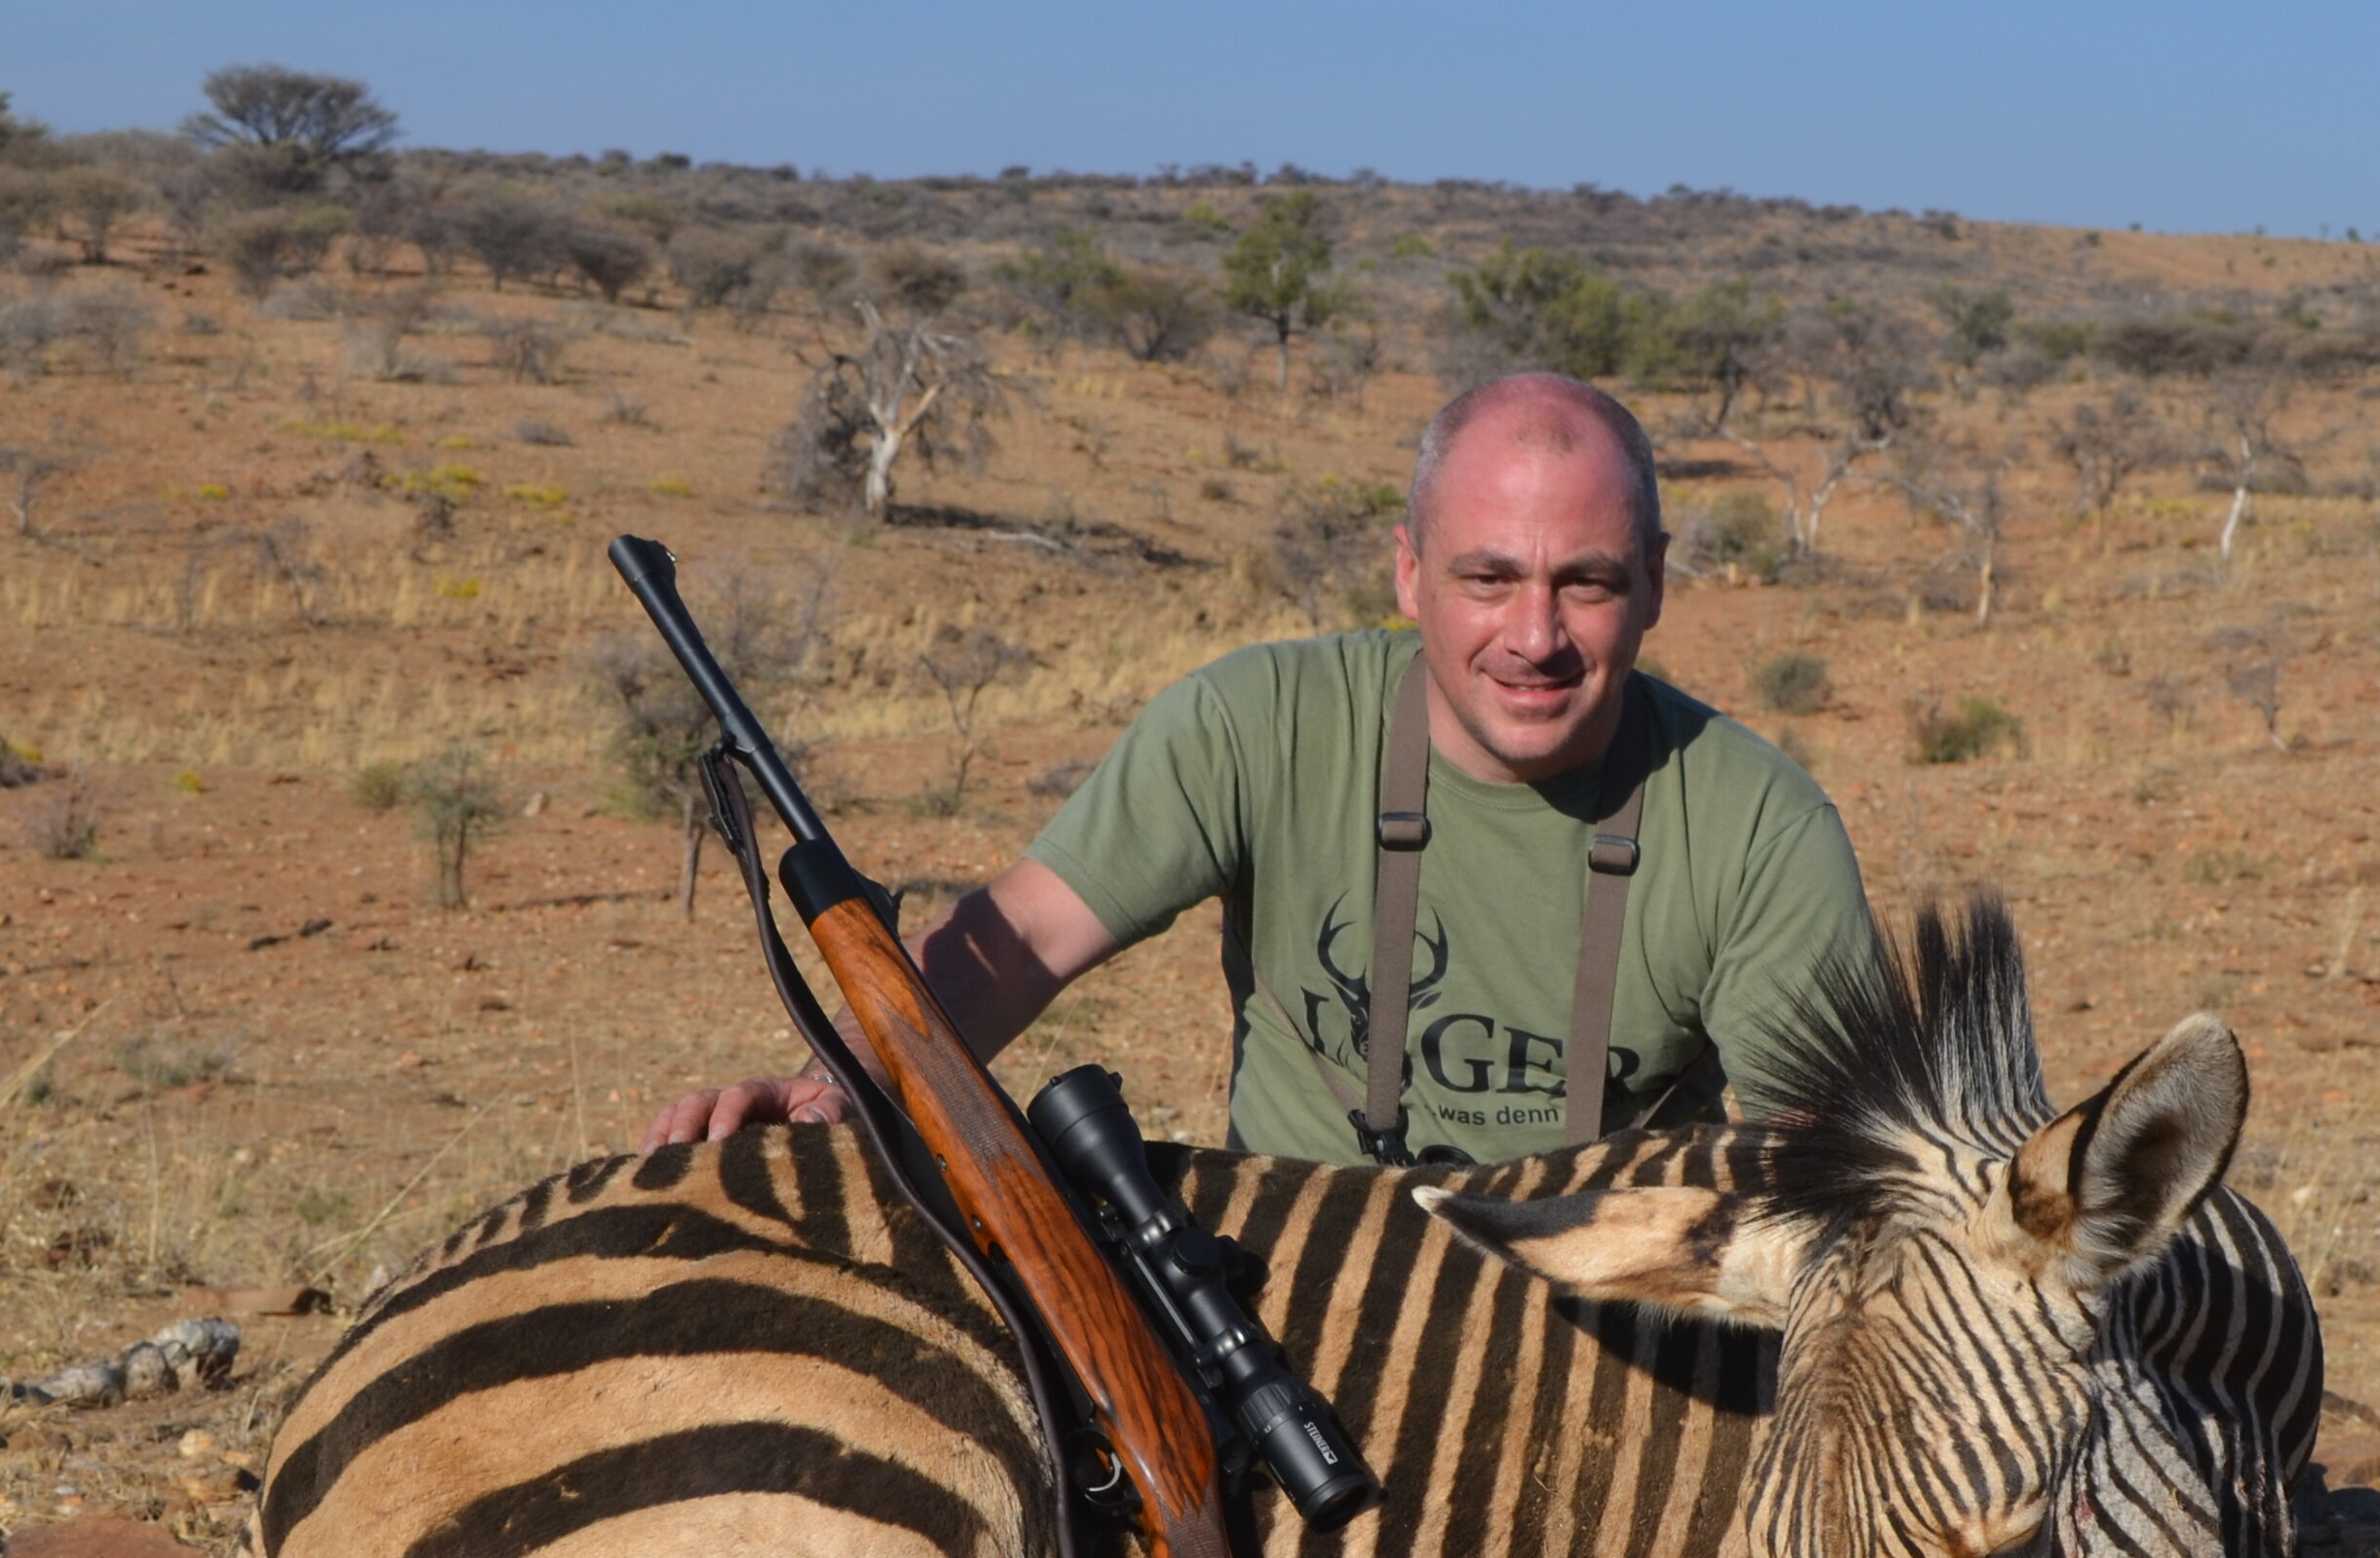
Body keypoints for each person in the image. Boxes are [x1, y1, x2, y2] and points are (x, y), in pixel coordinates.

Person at [651, 370, 1887, 1165]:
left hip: (1597, 1354)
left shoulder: (1760, 828)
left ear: (1657, 583)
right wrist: (833, 1088)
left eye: (1589, 583)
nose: (1535, 638)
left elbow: (1829, 1166)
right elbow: (1017, 942)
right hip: (1297, 1295)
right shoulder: (1258, 723)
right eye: (1488, 578)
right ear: (1409, 575)